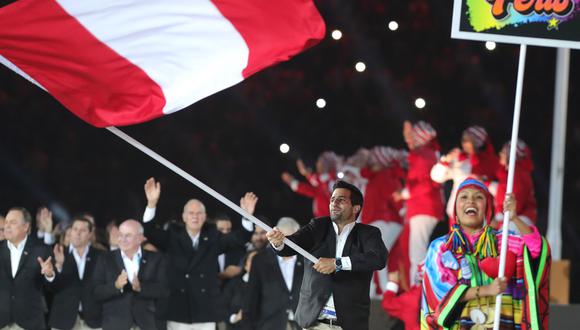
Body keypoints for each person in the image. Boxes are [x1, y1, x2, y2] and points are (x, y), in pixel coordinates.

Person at [421, 178, 550, 329]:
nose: (471, 201)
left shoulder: (503, 240)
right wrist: (486, 290)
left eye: (478, 197)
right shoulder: (442, 247)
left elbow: (536, 250)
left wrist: (514, 218)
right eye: (464, 197)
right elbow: (440, 291)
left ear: (487, 208)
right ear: (455, 207)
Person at [267, 180, 387, 330]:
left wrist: (337, 263)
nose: (334, 203)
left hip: (349, 324)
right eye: (332, 199)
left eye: (341, 200)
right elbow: (292, 244)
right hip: (314, 323)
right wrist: (278, 242)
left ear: (356, 208)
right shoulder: (318, 226)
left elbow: (378, 258)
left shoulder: (368, 233)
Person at [141, 178, 256, 330]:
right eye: (191, 213)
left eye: (199, 213)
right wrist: (151, 204)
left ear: (205, 217)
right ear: (184, 217)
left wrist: (247, 216)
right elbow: (150, 232)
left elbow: (239, 238)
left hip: (205, 310)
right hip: (177, 309)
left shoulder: (213, 237)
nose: (195, 216)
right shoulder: (172, 236)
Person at [394, 120, 444, 286]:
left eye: (411, 137)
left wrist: (405, 193)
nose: (408, 140)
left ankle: (420, 291)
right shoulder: (426, 154)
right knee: (417, 252)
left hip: (424, 207)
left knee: (417, 253)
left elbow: (429, 183)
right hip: (423, 207)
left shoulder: (423, 156)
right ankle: (419, 288)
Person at [93, 219, 168, 330]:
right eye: (120, 235)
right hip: (115, 325)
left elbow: (164, 290)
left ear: (140, 238)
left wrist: (140, 288)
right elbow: (96, 292)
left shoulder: (156, 258)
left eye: (128, 236)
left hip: (148, 324)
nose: (123, 239)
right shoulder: (105, 259)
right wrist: (116, 286)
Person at [0, 207, 55, 330]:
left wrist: (49, 274)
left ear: (25, 227)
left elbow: (53, 287)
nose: (7, 226)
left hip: (30, 322)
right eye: (6, 222)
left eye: (13, 222)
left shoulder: (41, 249)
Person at [431, 125, 499, 223]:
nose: (464, 143)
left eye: (468, 140)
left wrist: (485, 182)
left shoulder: (490, 161)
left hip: (479, 214)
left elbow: (500, 190)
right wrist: (446, 160)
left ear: (477, 142)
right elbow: (436, 177)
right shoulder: (458, 159)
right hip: (456, 213)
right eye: (463, 139)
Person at [245, 217, 304, 330]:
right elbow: (251, 298)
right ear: (276, 236)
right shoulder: (260, 260)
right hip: (269, 325)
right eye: (284, 239)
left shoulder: (308, 260)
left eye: (293, 239)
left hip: (302, 325)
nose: (288, 244)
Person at [49, 216, 103, 330]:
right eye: (75, 229)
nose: (78, 233)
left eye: (82, 230)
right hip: (63, 320)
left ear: (90, 234)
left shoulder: (100, 256)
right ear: (70, 231)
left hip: (93, 321)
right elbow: (51, 289)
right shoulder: (58, 253)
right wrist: (58, 266)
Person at [491, 139, 537, 231]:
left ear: (511, 156)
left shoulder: (518, 174)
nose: (500, 154)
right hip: (511, 220)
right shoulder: (511, 173)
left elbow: (515, 203)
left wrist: (499, 220)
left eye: (503, 152)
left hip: (517, 222)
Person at [281, 151, 342, 218]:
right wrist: (292, 181)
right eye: (318, 161)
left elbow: (315, 190)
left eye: (322, 161)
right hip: (322, 217)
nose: (318, 164)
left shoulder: (334, 178)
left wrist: (304, 175)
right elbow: (311, 187)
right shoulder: (319, 179)